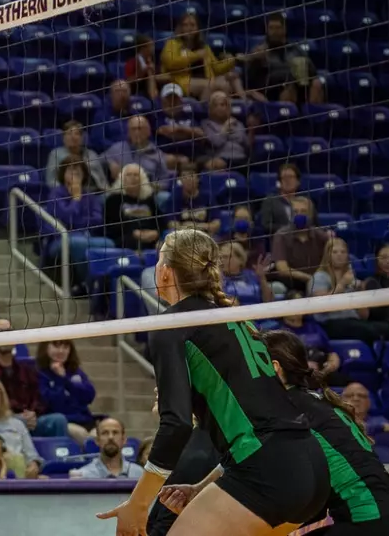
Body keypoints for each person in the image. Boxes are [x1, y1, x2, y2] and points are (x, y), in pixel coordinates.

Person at [97, 229, 331, 536]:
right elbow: (248, 406)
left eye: (157, 259)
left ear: (166, 272)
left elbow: (176, 425)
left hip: (267, 468)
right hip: (309, 467)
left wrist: (139, 503)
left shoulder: (173, 324)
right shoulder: (237, 319)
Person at [256, 330, 389, 536]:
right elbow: (316, 508)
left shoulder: (288, 411)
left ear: (274, 368)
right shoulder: (320, 403)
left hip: (369, 524)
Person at [0, 318, 70, 439]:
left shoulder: (26, 370)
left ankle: (58, 456)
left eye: (9, 332)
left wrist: (33, 414)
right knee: (17, 422)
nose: (5, 336)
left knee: (58, 420)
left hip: (29, 421)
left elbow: (37, 399)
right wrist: (11, 416)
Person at [244, 12, 324, 106]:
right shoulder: (259, 51)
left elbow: (312, 74)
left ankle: (313, 116)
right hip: (271, 91)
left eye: (277, 28)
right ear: (267, 30)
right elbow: (248, 79)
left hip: (299, 88)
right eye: (271, 28)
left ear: (284, 29)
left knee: (316, 83)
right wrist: (256, 60)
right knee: (288, 88)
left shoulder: (296, 50)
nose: (274, 31)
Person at [161, 12, 242, 99]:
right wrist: (196, 55)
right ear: (180, 28)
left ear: (197, 28)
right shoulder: (172, 44)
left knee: (229, 81)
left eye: (192, 25)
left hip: (206, 80)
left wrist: (234, 60)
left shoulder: (205, 47)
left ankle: (242, 106)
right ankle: (203, 110)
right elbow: (170, 63)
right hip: (182, 81)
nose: (189, 28)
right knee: (215, 85)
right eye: (185, 25)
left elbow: (216, 68)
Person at [36, 339, 96, 444]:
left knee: (101, 434)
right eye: (56, 346)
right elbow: (55, 404)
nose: (61, 351)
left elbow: (89, 396)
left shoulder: (76, 372)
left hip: (84, 419)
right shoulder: (39, 374)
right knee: (82, 435)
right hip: (60, 422)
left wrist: (66, 380)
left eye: (65, 347)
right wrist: (60, 380)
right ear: (45, 348)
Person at [105, 163, 162, 251]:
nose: (133, 178)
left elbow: (160, 220)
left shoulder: (149, 199)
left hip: (151, 237)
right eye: (129, 175)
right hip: (125, 238)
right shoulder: (114, 199)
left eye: (136, 175)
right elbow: (110, 226)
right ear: (122, 179)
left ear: (142, 179)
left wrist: (156, 232)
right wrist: (133, 232)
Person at [69, 416, 145, 479]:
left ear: (124, 440)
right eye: (105, 433)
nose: (110, 437)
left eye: (115, 432)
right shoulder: (83, 475)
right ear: (97, 440)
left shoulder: (140, 474)